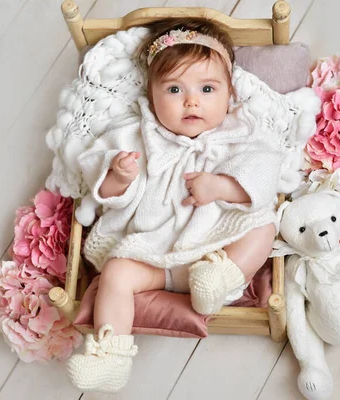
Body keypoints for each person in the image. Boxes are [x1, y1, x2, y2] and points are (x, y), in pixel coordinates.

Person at [68, 18, 282, 393]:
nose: (192, 100)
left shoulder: (240, 132)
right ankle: (109, 357)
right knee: (116, 273)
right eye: (173, 89)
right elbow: (100, 183)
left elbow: (264, 175)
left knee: (264, 225)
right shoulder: (136, 134)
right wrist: (119, 175)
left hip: (214, 253)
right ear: (151, 96)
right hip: (153, 257)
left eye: (207, 88)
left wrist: (221, 186)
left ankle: (221, 278)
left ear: (229, 95)